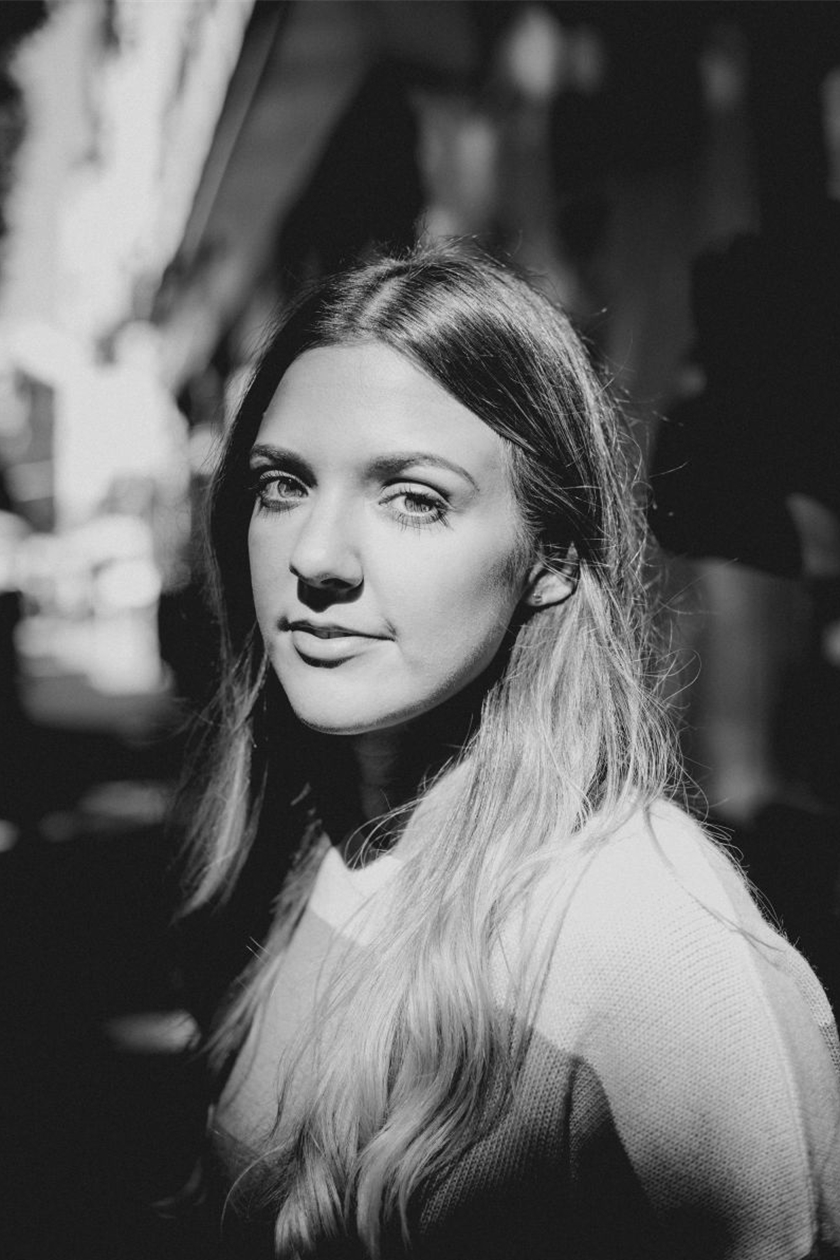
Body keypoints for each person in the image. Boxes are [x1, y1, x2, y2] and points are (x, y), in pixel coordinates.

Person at [176, 245, 840, 1259]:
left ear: (552, 557)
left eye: (414, 497)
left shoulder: (649, 946)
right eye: (283, 485)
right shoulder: (307, 839)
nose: (314, 557)